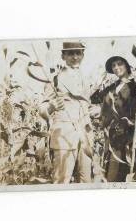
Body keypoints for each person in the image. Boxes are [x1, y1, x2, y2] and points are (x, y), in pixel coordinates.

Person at [90, 56, 136, 182]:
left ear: (127, 66)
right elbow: (94, 99)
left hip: (131, 134)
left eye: (120, 64)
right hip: (114, 136)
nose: (116, 67)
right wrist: (99, 81)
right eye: (113, 66)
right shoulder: (113, 87)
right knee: (114, 172)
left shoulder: (134, 85)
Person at [39, 42, 94, 184]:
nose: (75, 57)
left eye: (78, 53)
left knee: (86, 180)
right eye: (70, 54)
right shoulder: (55, 79)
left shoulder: (86, 78)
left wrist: (96, 111)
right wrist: (51, 106)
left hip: (85, 135)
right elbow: (42, 109)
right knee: (62, 181)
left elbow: (87, 105)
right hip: (64, 135)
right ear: (63, 56)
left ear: (83, 55)